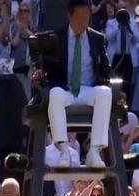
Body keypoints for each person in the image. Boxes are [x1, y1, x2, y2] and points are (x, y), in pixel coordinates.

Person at [34, 0, 111, 168]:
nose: (82, 22)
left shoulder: (97, 39)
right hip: (66, 89)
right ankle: (63, 150)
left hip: (88, 90)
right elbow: (44, 67)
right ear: (69, 15)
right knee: (55, 94)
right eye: (79, 18)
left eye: (86, 18)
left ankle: (94, 151)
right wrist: (40, 74)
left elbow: (106, 69)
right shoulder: (56, 38)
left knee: (105, 92)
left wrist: (108, 77)